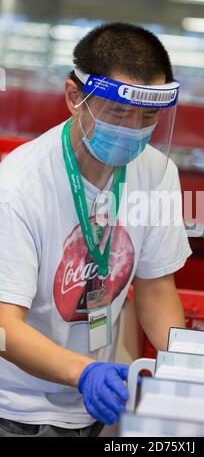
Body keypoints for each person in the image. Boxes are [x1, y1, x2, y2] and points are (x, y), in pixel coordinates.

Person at [0, 22, 191, 437]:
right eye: (119, 112)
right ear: (75, 98)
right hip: (13, 408)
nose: (132, 130)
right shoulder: (17, 187)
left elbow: (156, 290)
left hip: (90, 411)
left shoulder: (157, 173)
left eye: (147, 117)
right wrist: (85, 372)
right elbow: (4, 326)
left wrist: (187, 369)